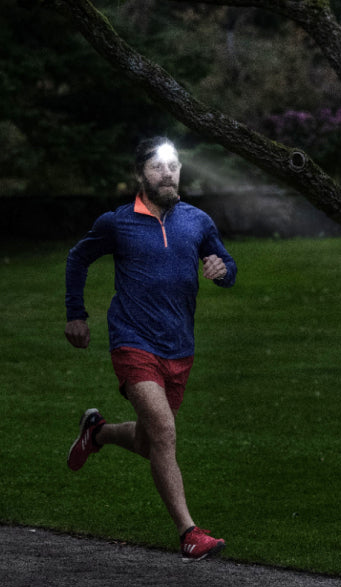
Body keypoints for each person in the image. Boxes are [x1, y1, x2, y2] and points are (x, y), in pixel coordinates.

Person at [65, 136, 237, 562]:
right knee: (164, 431)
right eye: (159, 166)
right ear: (140, 173)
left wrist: (223, 269)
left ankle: (98, 432)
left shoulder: (197, 221)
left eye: (174, 165)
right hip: (132, 341)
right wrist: (76, 314)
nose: (168, 173)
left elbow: (227, 266)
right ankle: (189, 532)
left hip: (179, 347)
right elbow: (77, 258)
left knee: (148, 441)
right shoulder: (117, 223)